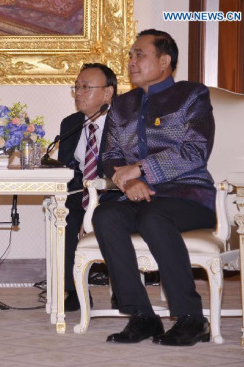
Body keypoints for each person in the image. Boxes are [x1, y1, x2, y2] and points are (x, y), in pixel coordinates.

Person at [93, 29, 215, 346]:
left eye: (139, 54)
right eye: (130, 55)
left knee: (154, 218)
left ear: (164, 61)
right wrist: (130, 180)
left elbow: (195, 151)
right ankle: (143, 316)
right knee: (105, 216)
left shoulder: (192, 96)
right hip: (136, 194)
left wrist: (143, 169)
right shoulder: (121, 105)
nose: (131, 61)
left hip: (188, 194)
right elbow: (110, 155)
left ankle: (192, 318)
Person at [58, 63, 117, 312]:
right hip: (80, 192)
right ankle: (73, 290)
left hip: (113, 193)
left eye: (86, 87)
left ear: (107, 93)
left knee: (110, 218)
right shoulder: (70, 124)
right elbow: (66, 169)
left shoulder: (122, 123)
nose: (79, 93)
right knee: (64, 215)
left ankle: (123, 289)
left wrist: (94, 203)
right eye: (77, 87)